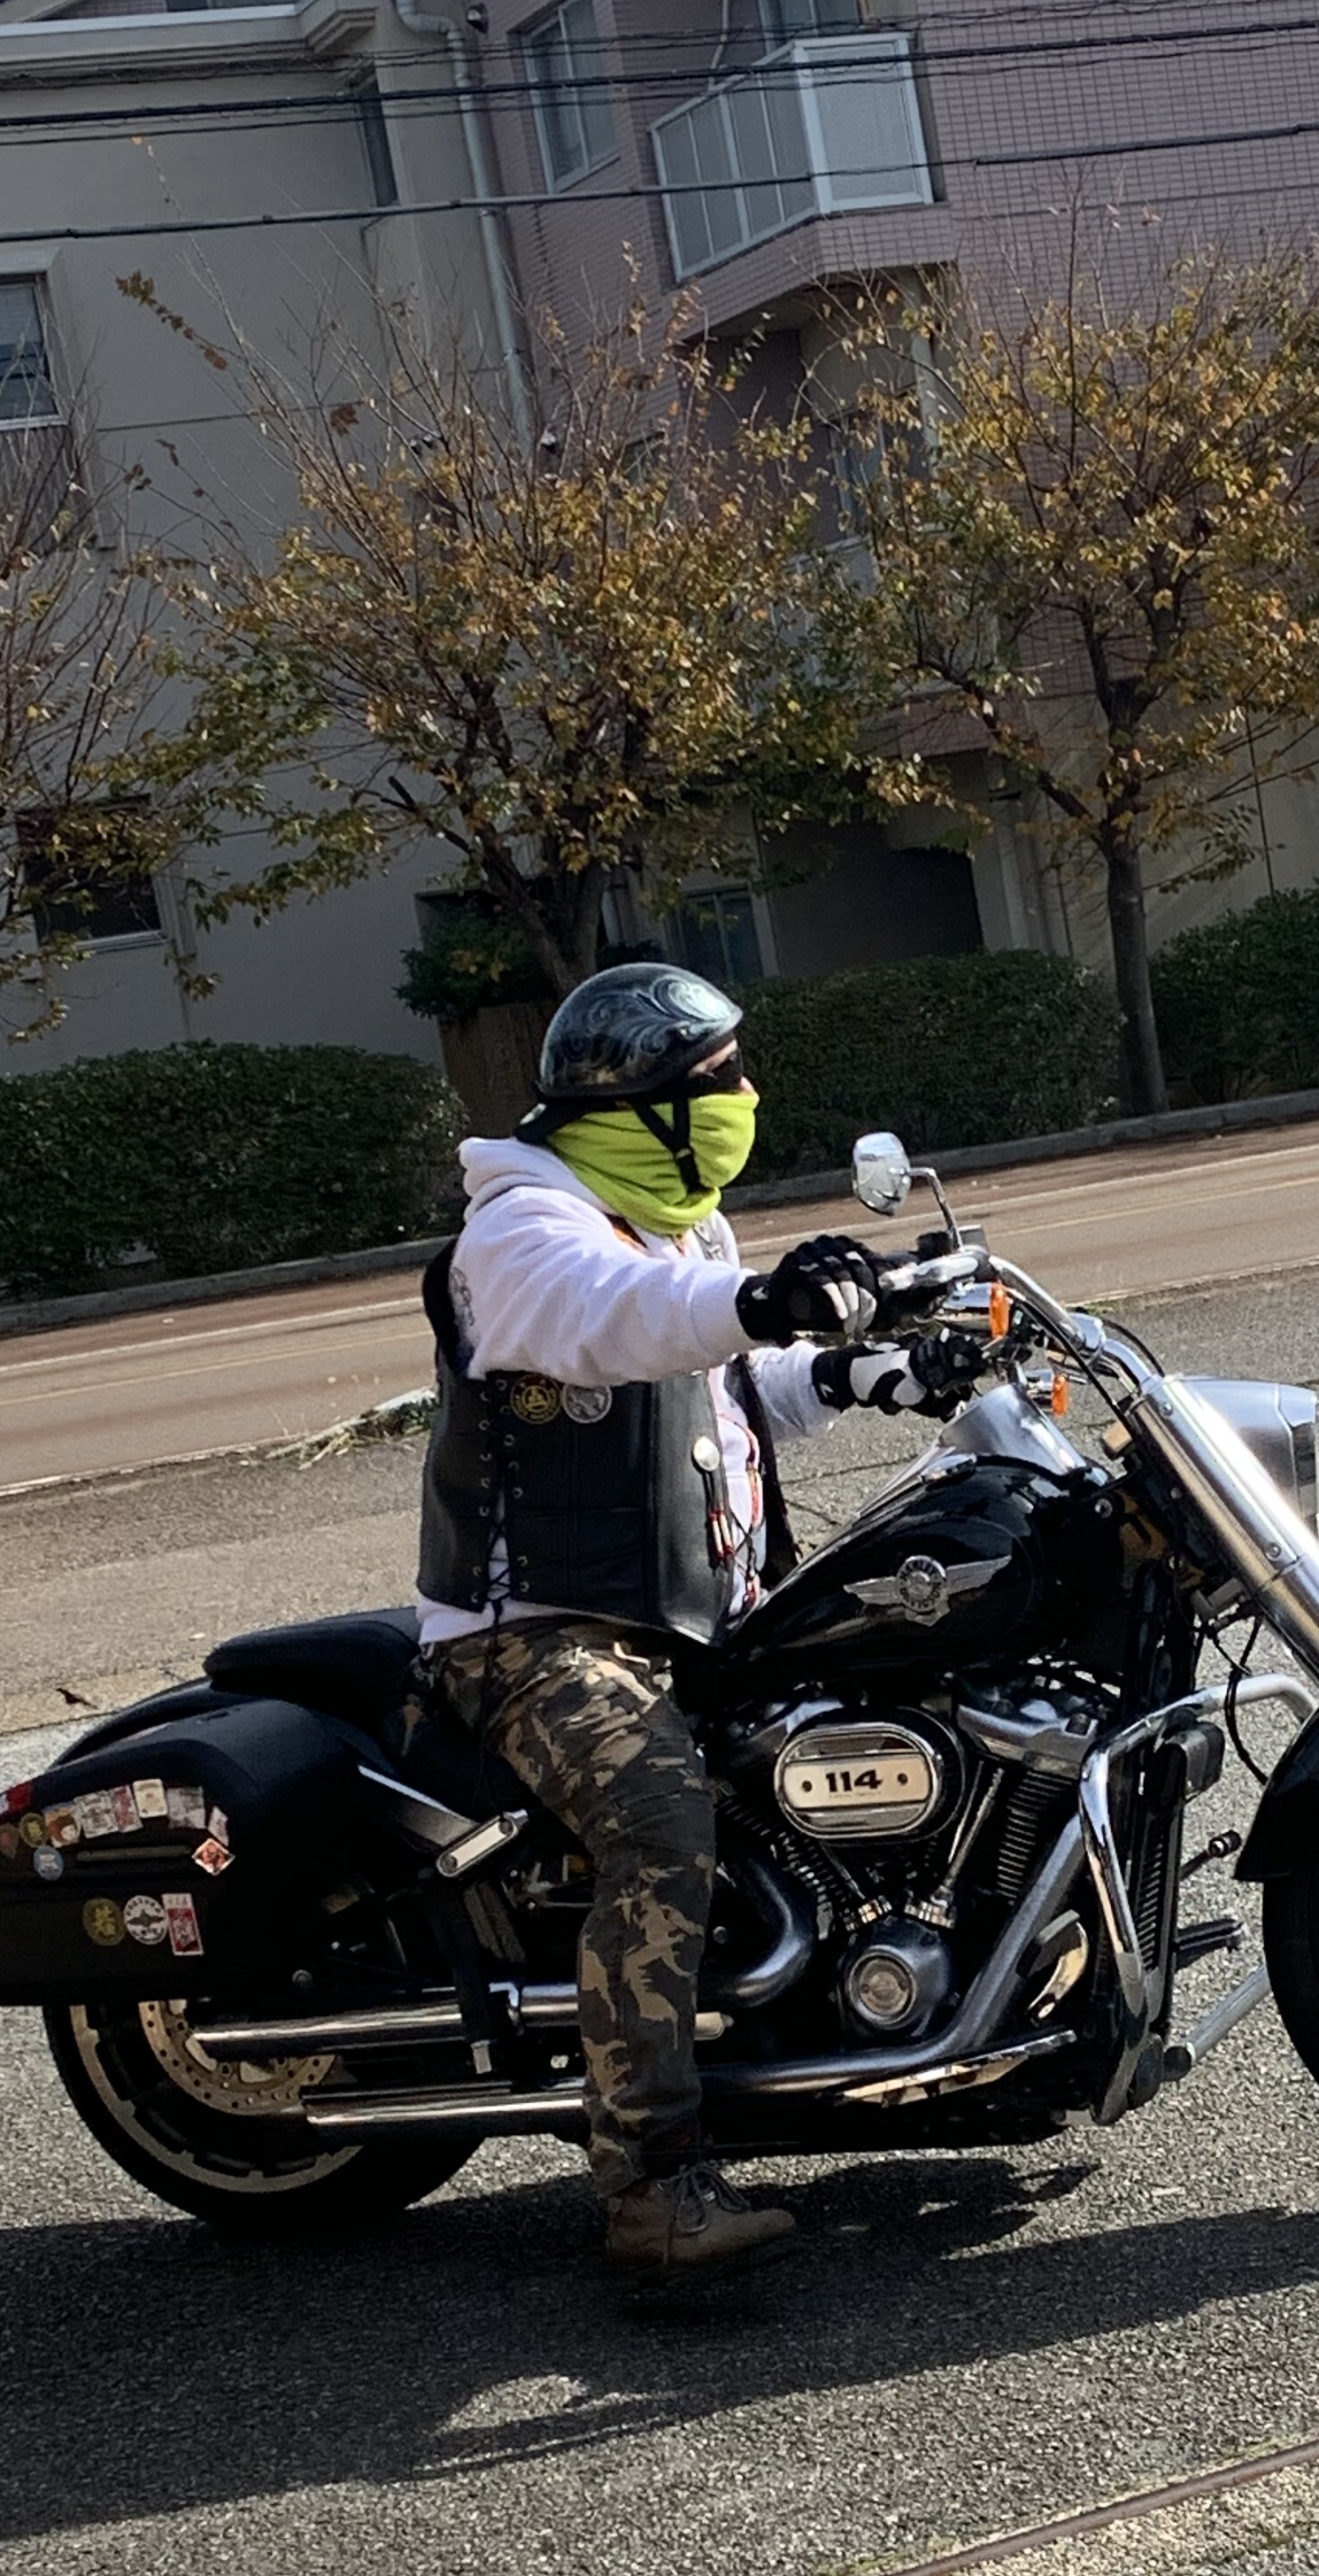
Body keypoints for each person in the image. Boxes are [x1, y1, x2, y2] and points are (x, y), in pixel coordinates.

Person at [415, 960, 971, 2279]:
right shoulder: (524, 1229)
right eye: (718, 1079)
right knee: (660, 1823)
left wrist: (867, 1371)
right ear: (648, 1104)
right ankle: (651, 2186)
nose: (743, 1096)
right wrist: (763, 1298)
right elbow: (616, 1323)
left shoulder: (679, 1225)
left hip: (693, 1614)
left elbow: (728, 1391)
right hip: (539, 1633)